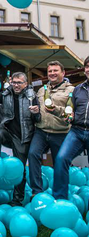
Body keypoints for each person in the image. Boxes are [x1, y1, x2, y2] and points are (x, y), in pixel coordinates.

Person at [0, 71, 41, 206]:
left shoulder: (31, 97)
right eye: (14, 82)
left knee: (19, 168)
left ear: (25, 84)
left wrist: (36, 113)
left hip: (23, 137)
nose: (16, 85)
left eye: (19, 83)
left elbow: (38, 119)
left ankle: (17, 199)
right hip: (8, 132)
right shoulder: (6, 94)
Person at [28, 61, 74, 198]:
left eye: (55, 70)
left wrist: (57, 111)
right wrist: (36, 111)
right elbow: (38, 108)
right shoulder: (42, 90)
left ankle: (59, 195)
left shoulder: (71, 90)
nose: (52, 73)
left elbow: (71, 112)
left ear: (63, 73)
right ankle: (37, 191)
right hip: (41, 131)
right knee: (33, 154)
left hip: (60, 133)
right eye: (50, 71)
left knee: (59, 163)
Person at [53, 56, 89, 199]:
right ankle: (60, 200)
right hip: (77, 131)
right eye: (86, 66)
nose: (88, 69)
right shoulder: (78, 89)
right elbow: (71, 109)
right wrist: (70, 115)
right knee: (61, 159)